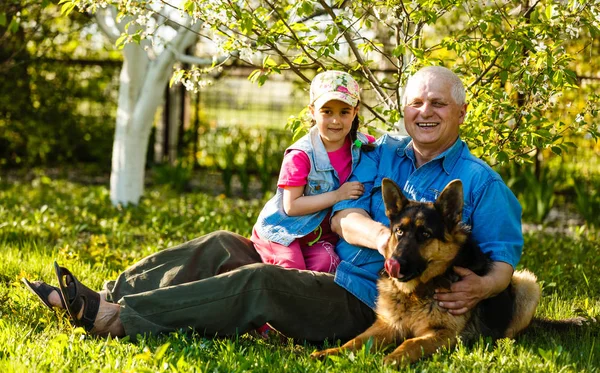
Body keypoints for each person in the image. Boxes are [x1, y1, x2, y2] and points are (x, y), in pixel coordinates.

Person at [23, 66, 522, 342]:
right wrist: (384, 239)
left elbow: (504, 261)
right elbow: (346, 214)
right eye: (417, 102)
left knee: (259, 282)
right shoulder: (384, 152)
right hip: (330, 263)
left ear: (460, 110)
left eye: (438, 103)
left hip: (364, 300)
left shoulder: (479, 182)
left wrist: (482, 287)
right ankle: (105, 293)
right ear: (405, 109)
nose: (425, 112)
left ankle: (118, 318)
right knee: (223, 243)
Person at [252, 70, 375, 274]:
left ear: (355, 112)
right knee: (292, 269)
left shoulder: (363, 145)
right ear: (312, 111)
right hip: (283, 231)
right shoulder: (301, 156)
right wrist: (338, 195)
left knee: (326, 266)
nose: (335, 120)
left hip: (316, 237)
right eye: (327, 111)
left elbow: (391, 149)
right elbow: (291, 206)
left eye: (344, 112)